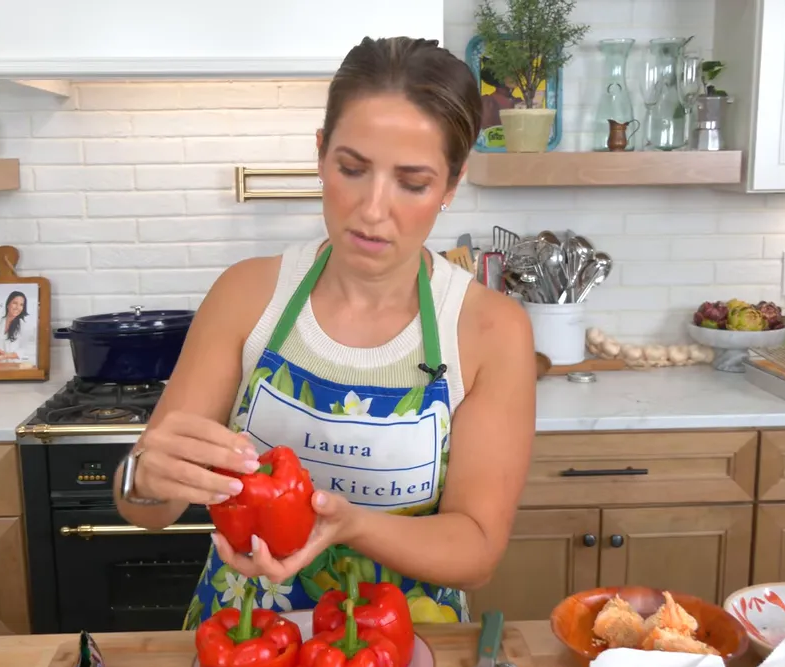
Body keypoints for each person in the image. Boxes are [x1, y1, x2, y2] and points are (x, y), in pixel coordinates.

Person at [114, 36, 536, 629]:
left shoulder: (491, 330)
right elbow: (150, 505)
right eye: (352, 169)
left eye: (412, 183)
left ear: (450, 185)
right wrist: (142, 475)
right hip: (243, 637)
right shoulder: (247, 295)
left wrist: (352, 525)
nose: (371, 209)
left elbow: (476, 551)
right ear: (320, 153)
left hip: (405, 648)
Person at [0, 290, 34, 363]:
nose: (18, 307)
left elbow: (23, 350)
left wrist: (5, 355)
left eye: (21, 305)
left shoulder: (24, 326)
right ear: (8, 304)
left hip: (13, 368)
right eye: (15, 303)